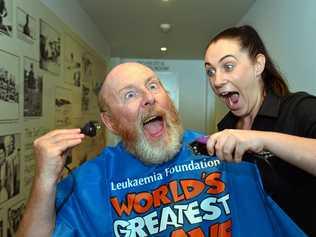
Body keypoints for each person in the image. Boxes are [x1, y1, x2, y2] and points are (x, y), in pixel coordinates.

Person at [16, 62, 305, 237]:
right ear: (110, 122)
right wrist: (43, 180)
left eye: (153, 86)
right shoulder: (92, 183)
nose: (148, 99)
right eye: (130, 94)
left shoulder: (221, 153)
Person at [204, 25, 316, 235]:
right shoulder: (225, 128)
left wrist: (262, 139)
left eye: (228, 66)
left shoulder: (299, 108)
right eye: (210, 71)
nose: (217, 81)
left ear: (258, 65)